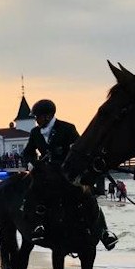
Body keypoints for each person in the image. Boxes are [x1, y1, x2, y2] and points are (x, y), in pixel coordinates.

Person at [21, 99, 118, 250]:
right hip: (46, 174)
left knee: (88, 196)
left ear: (47, 116)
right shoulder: (35, 133)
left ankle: (104, 232)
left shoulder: (67, 128)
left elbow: (79, 149)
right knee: (32, 194)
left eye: (37, 116)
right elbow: (27, 153)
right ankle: (37, 226)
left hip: (66, 172)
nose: (36, 120)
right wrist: (32, 162)